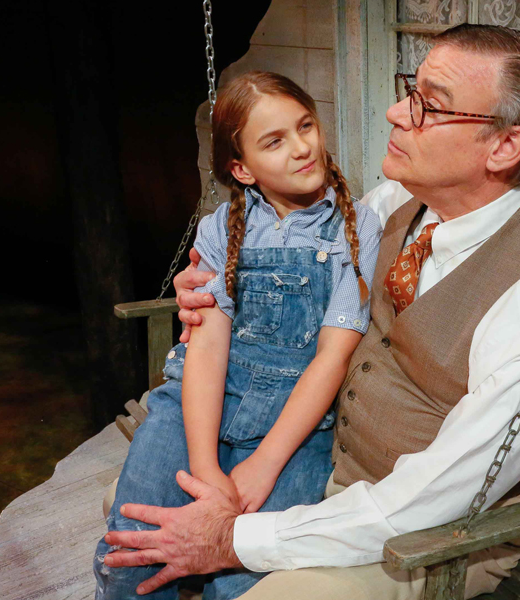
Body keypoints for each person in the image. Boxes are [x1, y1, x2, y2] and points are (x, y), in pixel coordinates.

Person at [102, 24, 520, 600]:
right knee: (135, 520)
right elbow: (293, 267)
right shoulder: (394, 206)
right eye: (408, 91)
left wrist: (238, 536)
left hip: (429, 535)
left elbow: (436, 496)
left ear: (504, 147)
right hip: (325, 465)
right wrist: (209, 288)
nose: (394, 113)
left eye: (428, 106)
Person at [93, 71, 382, 599]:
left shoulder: (356, 228)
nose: (302, 148)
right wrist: (206, 474)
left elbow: (331, 358)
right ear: (241, 169)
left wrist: (262, 467)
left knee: (243, 582)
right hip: (196, 406)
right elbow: (206, 349)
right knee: (128, 553)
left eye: (306, 126)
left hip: (293, 426)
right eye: (275, 141)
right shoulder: (217, 229)